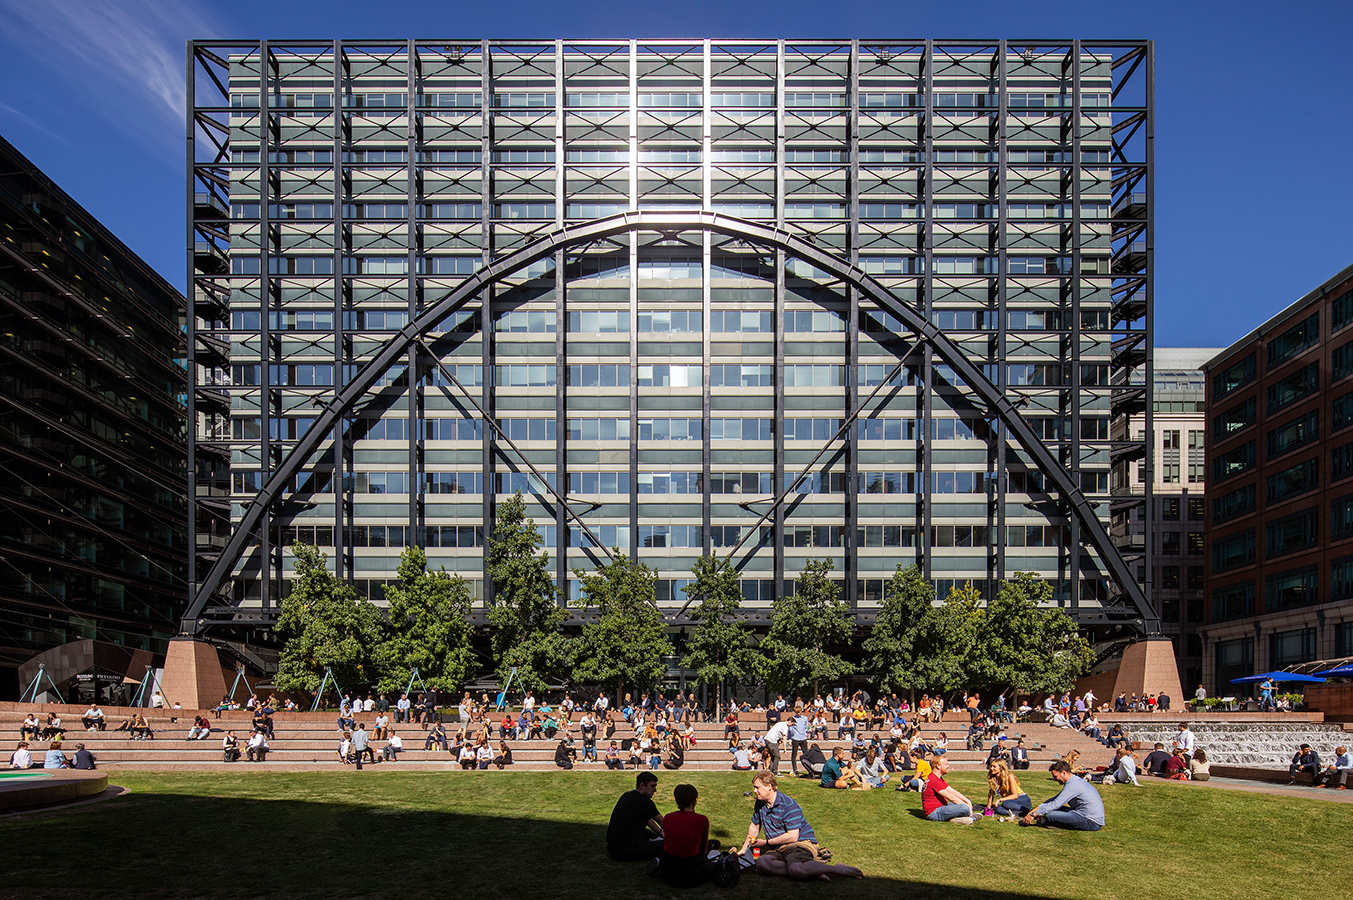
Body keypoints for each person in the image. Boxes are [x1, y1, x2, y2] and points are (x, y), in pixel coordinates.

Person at [737, 771, 863, 881]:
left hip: (800, 843)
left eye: (757, 787)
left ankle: (836, 869)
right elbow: (755, 825)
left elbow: (792, 836)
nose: (754, 791)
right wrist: (744, 849)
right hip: (779, 847)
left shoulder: (789, 805)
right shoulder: (760, 803)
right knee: (762, 863)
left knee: (796, 869)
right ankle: (811, 871)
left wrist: (766, 842)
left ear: (769, 787)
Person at [657, 783, 734, 888]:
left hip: (666, 867)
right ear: (694, 800)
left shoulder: (668, 818)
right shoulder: (701, 820)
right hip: (688, 873)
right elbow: (702, 850)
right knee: (714, 864)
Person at [1021, 760, 1105, 831]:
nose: (1054, 779)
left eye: (1056, 776)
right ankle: (1049, 820)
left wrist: (1034, 814)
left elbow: (1056, 803)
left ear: (1064, 773)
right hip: (1080, 813)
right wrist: (1033, 811)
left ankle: (1050, 821)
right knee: (1050, 810)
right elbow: (1053, 800)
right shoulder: (1073, 781)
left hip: (1091, 821)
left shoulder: (1073, 785)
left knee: (1050, 815)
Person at [606, 771, 665, 861]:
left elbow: (647, 818)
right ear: (642, 786)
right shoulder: (644, 801)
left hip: (613, 848)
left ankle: (657, 839)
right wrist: (679, 837)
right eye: (652, 786)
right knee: (667, 845)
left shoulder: (627, 795)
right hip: (627, 851)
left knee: (649, 833)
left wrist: (660, 832)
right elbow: (662, 822)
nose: (655, 790)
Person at [923, 755, 975, 823]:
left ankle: (958, 818)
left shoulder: (937, 778)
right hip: (934, 812)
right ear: (938, 766)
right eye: (946, 764)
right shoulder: (934, 780)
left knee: (965, 802)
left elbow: (952, 791)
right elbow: (951, 797)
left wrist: (967, 802)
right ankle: (971, 817)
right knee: (964, 808)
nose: (948, 766)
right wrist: (968, 809)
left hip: (942, 806)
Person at [788, 705, 810, 776]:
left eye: (799, 712)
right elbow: (790, 729)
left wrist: (810, 730)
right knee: (794, 754)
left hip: (803, 738)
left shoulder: (805, 718)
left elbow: (807, 727)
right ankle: (795, 769)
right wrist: (790, 738)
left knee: (806, 754)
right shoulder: (793, 719)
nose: (798, 714)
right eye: (797, 712)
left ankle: (809, 769)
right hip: (796, 738)